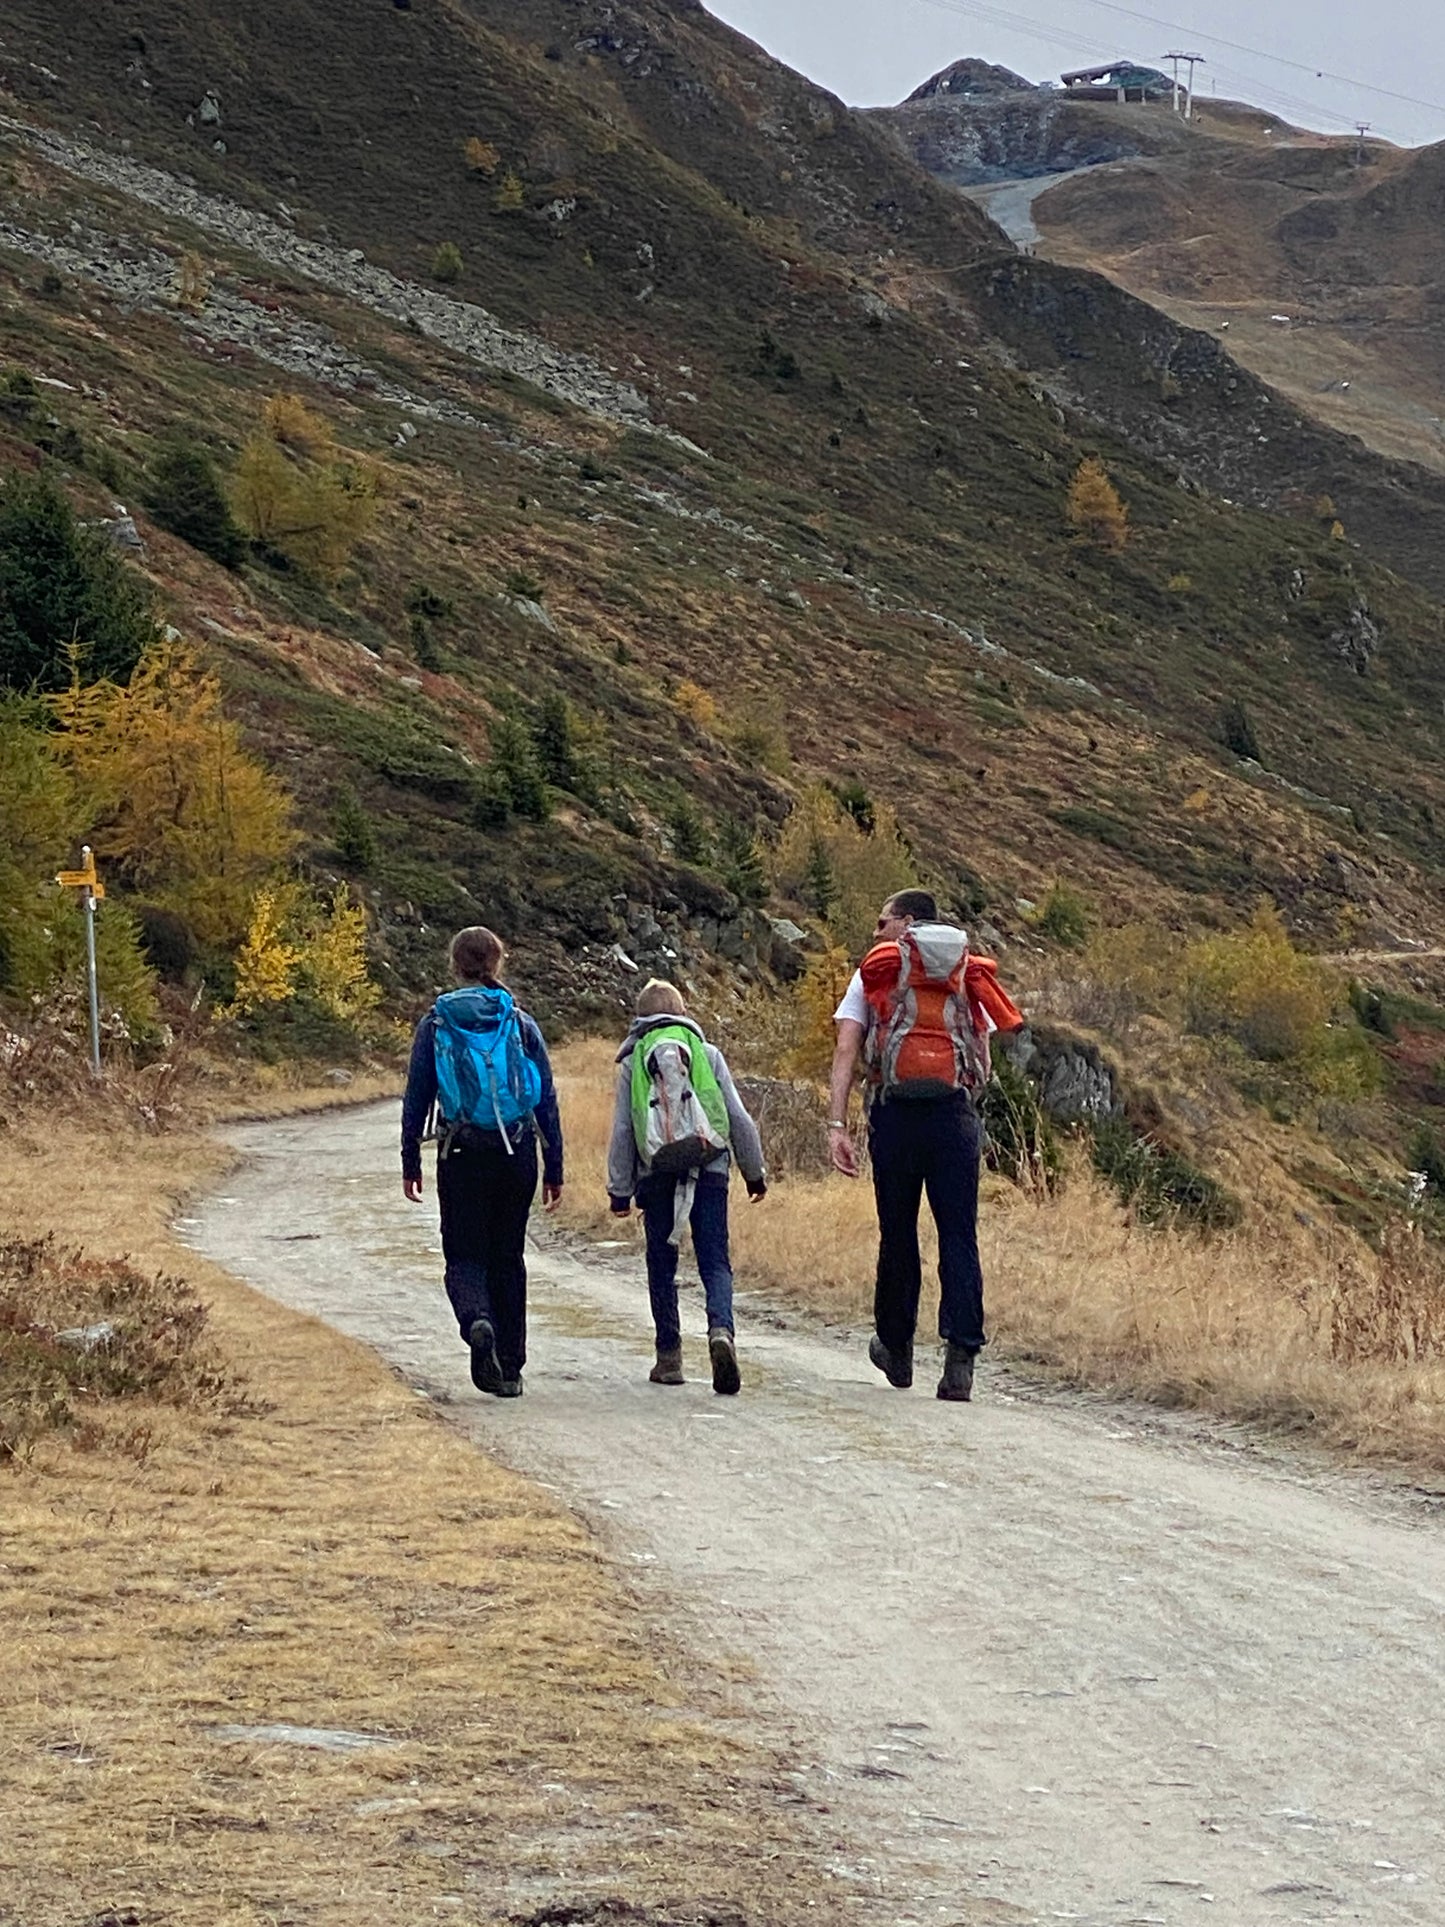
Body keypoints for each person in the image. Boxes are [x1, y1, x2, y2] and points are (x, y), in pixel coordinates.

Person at [827, 890, 1022, 1404]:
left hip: (894, 1115)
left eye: (882, 920)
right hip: (954, 1116)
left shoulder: (878, 971)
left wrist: (836, 1123)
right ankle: (960, 1362)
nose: (876, 931)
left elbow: (847, 1047)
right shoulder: (965, 970)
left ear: (907, 922)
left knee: (898, 1232)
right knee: (960, 1235)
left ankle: (896, 1348)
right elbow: (983, 1048)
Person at [401, 926, 563, 1399]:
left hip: (462, 1153)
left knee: (465, 1255)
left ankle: (477, 1321)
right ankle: (510, 1369)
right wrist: (554, 1166)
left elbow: (417, 1098)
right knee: (509, 1256)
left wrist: (410, 1158)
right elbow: (545, 1099)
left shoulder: (436, 1023)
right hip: (517, 1154)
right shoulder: (520, 1021)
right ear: (498, 963)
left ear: (455, 965)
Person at [606, 979, 766, 1395]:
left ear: (640, 1019)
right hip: (709, 1165)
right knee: (715, 1260)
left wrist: (619, 1189)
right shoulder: (706, 1054)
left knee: (662, 1264)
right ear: (682, 1012)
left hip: (656, 1172)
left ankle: (669, 1357)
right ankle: (720, 1331)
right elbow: (737, 1117)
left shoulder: (633, 1060)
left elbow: (624, 1128)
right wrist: (754, 1171)